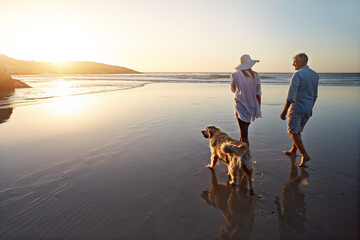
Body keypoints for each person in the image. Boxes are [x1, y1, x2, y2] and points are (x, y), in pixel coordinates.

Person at [280, 53, 319, 167]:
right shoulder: (314, 75)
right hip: (307, 108)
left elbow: (291, 96)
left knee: (292, 132)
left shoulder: (298, 74)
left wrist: (284, 111)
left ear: (302, 61)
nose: (293, 64)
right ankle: (293, 151)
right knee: (297, 131)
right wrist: (311, 108)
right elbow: (315, 95)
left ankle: (304, 155)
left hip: (297, 108)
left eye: (295, 61)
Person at [230, 54, 262, 146]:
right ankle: (241, 152)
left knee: (244, 134)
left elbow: (233, 90)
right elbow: (258, 93)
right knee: (244, 131)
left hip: (241, 106)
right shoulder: (256, 75)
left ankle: (246, 155)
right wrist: (258, 108)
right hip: (253, 106)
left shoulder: (235, 75)